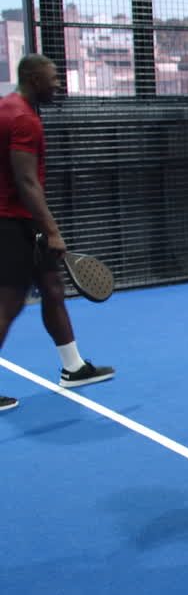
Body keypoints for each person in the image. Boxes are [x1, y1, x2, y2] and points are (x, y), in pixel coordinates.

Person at [0, 54, 115, 412]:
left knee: (52, 289)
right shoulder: (23, 119)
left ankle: (74, 368)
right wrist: (52, 231)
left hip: (19, 220)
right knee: (8, 303)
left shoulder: (8, 107)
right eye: (52, 78)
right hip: (10, 223)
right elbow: (27, 182)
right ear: (33, 77)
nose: (58, 84)